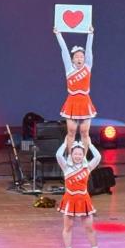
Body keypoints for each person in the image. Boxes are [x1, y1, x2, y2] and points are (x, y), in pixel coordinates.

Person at [56, 139, 103, 248]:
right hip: (69, 200)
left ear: (83, 155)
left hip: (84, 200)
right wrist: (65, 144)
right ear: (71, 155)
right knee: (68, 227)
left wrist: (90, 144)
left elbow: (98, 157)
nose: (78, 156)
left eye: (80, 154)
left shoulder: (87, 167)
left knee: (89, 228)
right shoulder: (66, 167)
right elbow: (58, 155)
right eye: (75, 154)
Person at [54, 25, 96, 154]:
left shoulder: (87, 67)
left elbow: (89, 50)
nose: (79, 58)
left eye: (81, 56)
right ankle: (70, 158)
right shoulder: (69, 69)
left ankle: (83, 159)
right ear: (72, 59)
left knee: (84, 132)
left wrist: (90, 34)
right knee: (71, 132)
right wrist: (58, 34)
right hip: (72, 102)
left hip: (85, 102)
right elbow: (64, 50)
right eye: (77, 56)